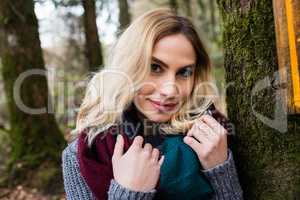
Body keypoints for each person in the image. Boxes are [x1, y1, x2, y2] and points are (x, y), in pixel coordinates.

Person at [62, 8, 243, 200]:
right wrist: (130, 193)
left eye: (184, 72)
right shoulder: (86, 153)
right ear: (128, 66)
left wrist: (220, 169)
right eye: (155, 67)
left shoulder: (215, 136)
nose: (170, 90)